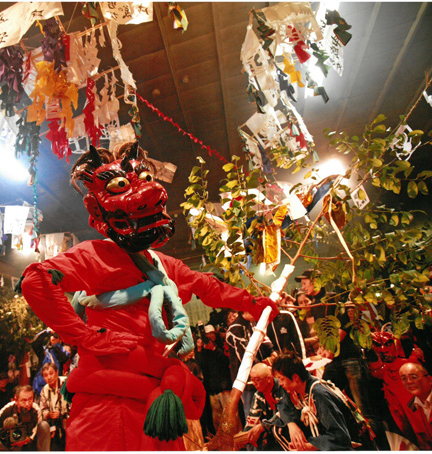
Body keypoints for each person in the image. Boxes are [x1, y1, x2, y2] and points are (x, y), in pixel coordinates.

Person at [20, 143, 278, 450]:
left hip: (154, 401)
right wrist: (87, 337)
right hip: (108, 403)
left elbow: (207, 286)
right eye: (120, 185)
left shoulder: (161, 264)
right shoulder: (96, 254)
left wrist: (252, 304)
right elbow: (35, 280)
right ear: (96, 209)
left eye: (143, 178)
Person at [272, 351, 376, 451]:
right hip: (328, 441)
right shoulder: (295, 388)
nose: (280, 383)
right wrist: (291, 425)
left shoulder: (319, 394)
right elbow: (283, 405)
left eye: (281, 379)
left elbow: (340, 437)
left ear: (295, 377)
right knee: (278, 428)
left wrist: (308, 447)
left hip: (352, 445)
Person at [0, 385, 50, 451]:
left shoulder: (36, 409)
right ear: (16, 400)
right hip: (7, 444)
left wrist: (26, 440)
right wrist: (6, 430)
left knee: (44, 425)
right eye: (24, 400)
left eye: (30, 399)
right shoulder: (7, 409)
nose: (27, 404)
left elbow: (34, 433)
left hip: (27, 443)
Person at [243, 363, 283, 450]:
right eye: (252, 380)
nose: (254, 383)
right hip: (271, 431)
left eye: (257, 380)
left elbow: (285, 412)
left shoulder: (282, 386)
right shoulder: (258, 395)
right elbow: (252, 419)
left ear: (268, 378)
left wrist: (263, 426)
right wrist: (244, 437)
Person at [38, 363, 69, 451]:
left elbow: (74, 405)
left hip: (68, 420)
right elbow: (42, 410)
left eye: (51, 373)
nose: (49, 377)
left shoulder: (66, 384)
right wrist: (48, 414)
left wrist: (62, 414)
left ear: (57, 372)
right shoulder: (44, 390)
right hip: (53, 423)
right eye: (45, 375)